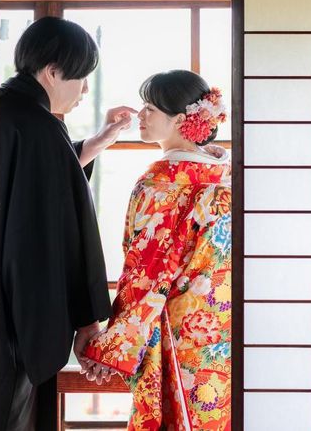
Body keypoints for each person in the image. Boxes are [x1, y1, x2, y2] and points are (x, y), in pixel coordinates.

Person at [0, 16, 135, 431]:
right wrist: (87, 318)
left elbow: (37, 186)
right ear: (53, 72)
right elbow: (67, 229)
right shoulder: (40, 127)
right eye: (81, 77)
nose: (85, 90)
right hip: (12, 315)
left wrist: (96, 142)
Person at [82, 70, 231, 431]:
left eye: (150, 108)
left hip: (175, 326)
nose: (141, 115)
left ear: (180, 120)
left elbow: (147, 271)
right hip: (223, 324)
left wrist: (111, 345)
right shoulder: (225, 174)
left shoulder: (161, 183)